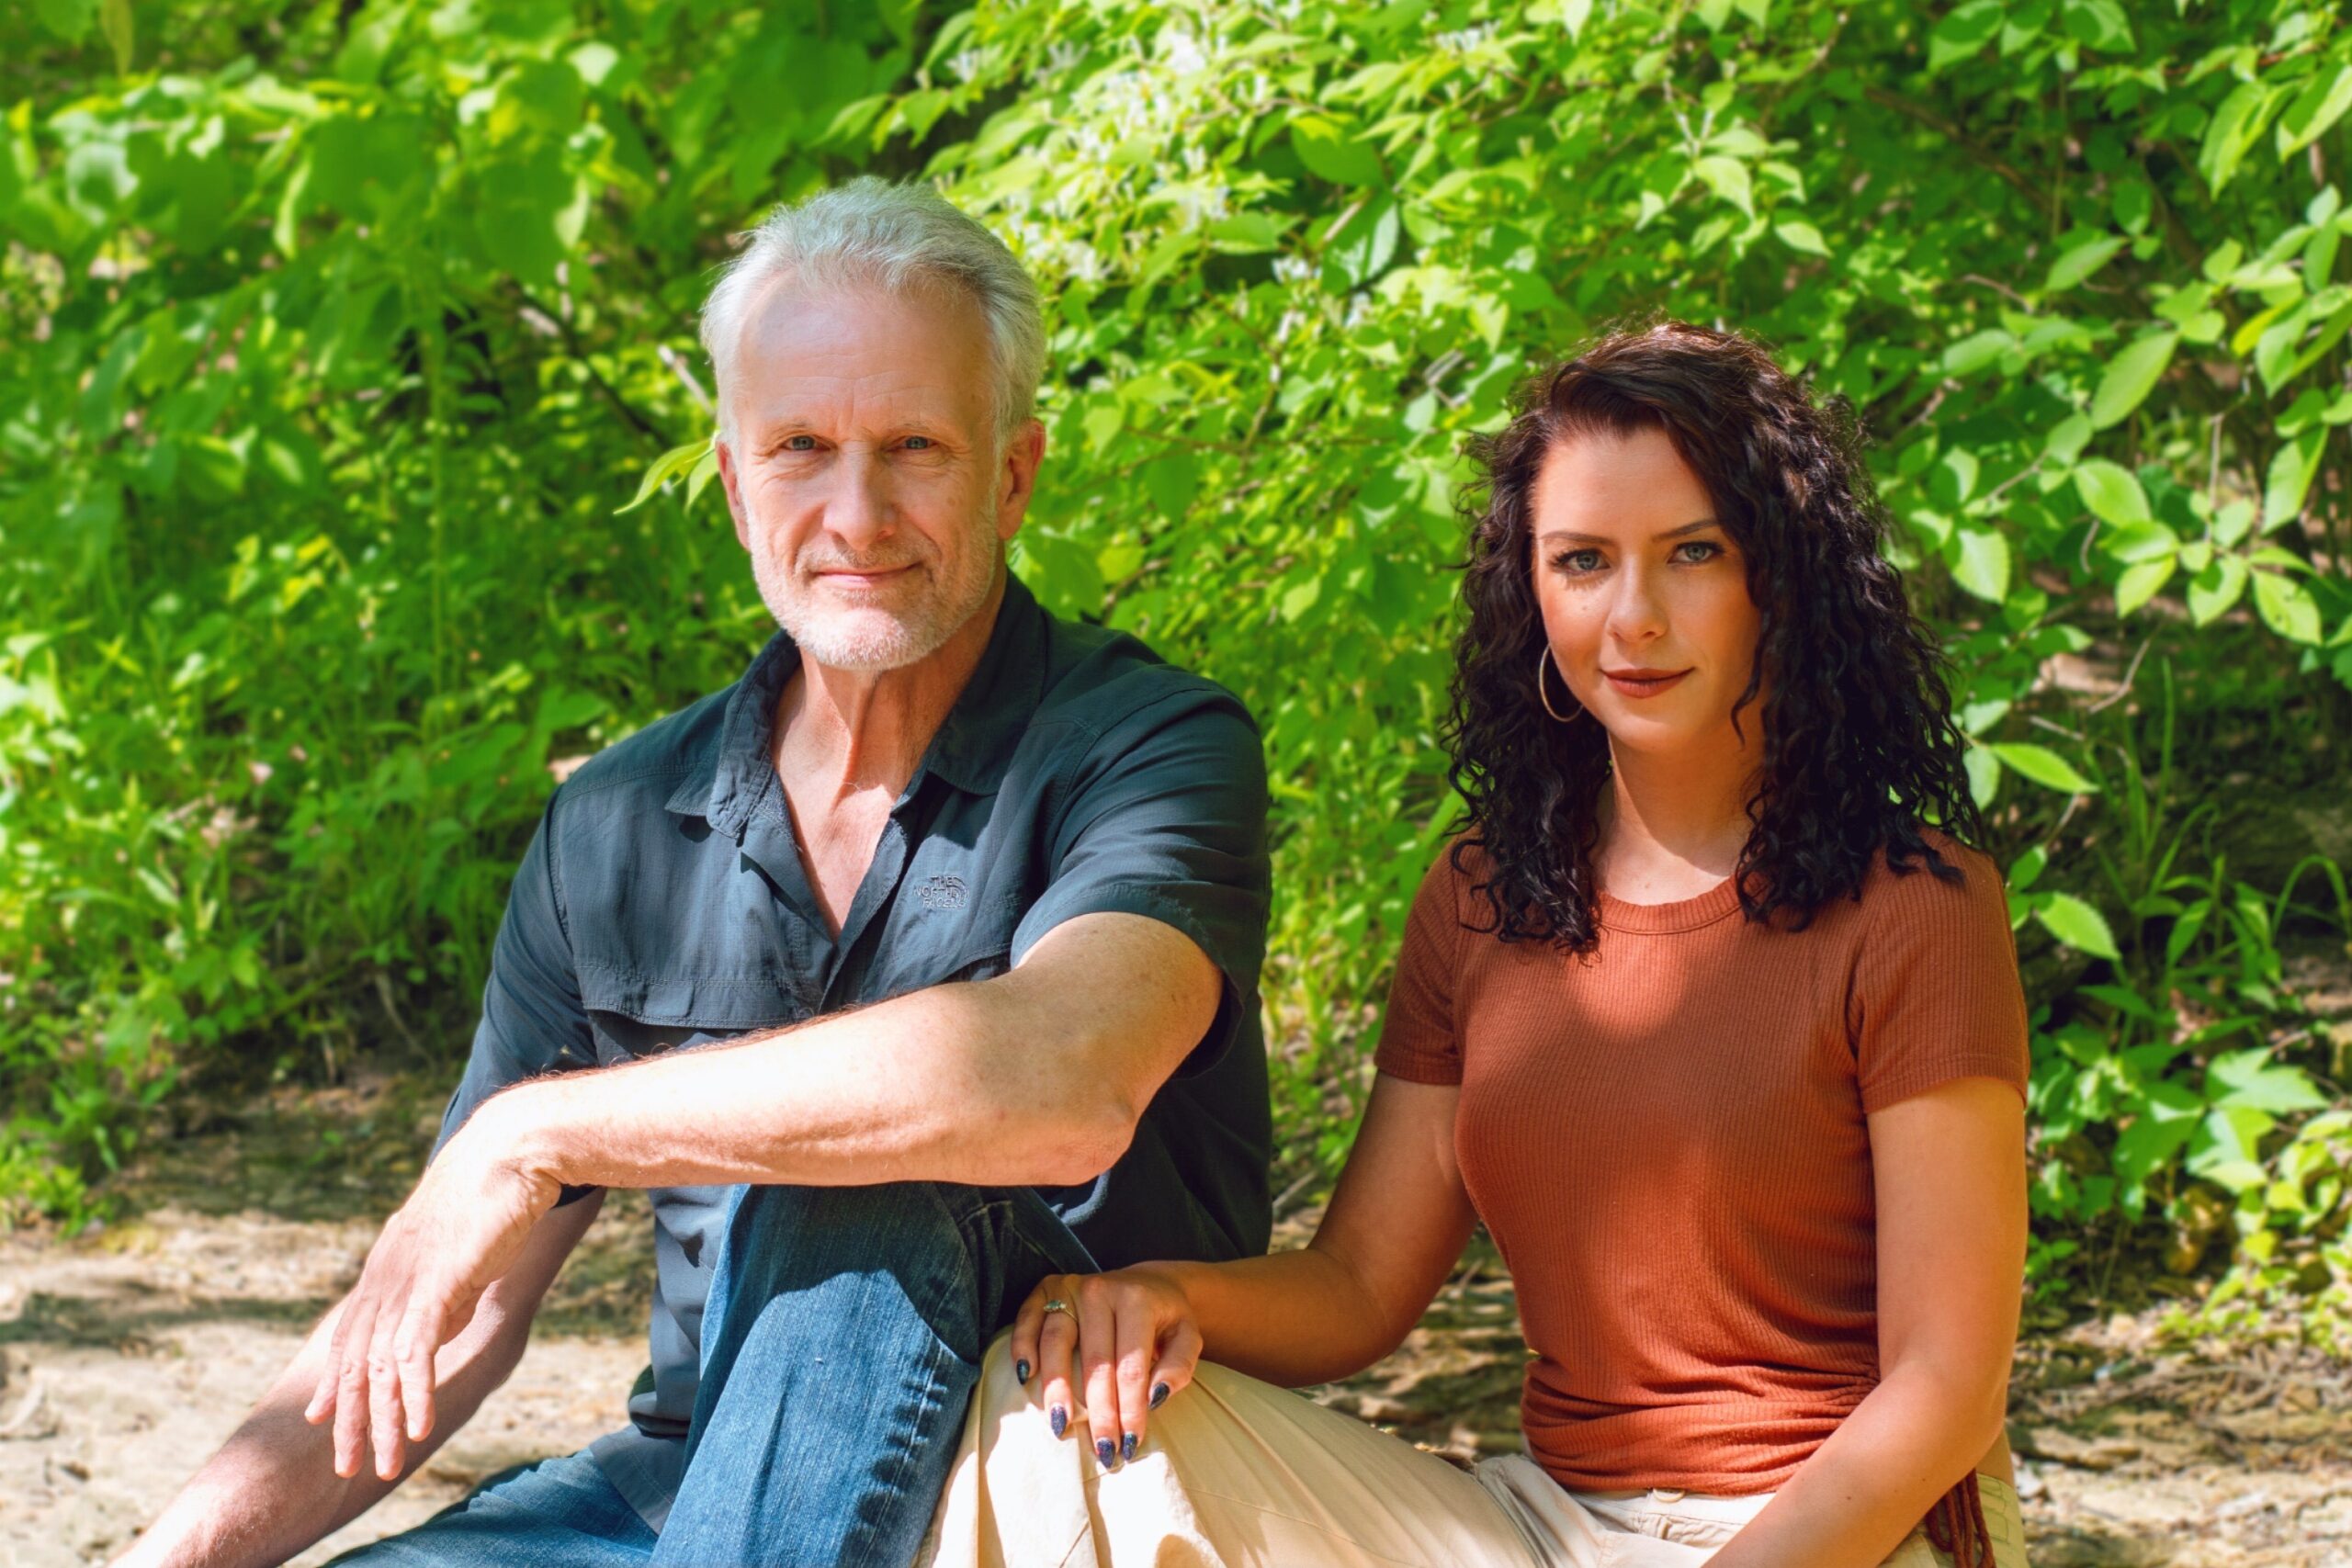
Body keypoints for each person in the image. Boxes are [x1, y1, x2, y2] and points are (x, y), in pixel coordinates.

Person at [118, 178, 1275, 1568]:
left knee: (867, 1173)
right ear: (734, 485)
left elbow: (1059, 1083)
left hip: (1039, 1487)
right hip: (687, 1498)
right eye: (802, 448)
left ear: (1013, 474)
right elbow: (453, 1320)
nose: (857, 514)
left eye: (915, 447)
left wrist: (537, 1130)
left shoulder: (1150, 747)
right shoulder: (615, 826)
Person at [925, 323, 2033, 1568]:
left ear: (1784, 578)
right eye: (1583, 562)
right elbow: (1358, 1287)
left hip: (1849, 1534)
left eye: (1695, 553)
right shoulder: (1484, 896)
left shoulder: (1917, 906)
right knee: (1057, 1418)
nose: (1634, 617)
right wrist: (1162, 1296)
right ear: (1531, 593)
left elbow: (1945, 1388)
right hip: (1546, 1526)